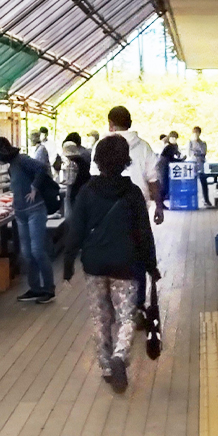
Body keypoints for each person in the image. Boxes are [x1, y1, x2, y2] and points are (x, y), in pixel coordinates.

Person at [64, 135, 160, 393]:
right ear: (126, 162)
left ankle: (107, 368)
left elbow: (75, 229)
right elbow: (143, 232)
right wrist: (151, 265)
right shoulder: (132, 193)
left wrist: (67, 261)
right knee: (127, 316)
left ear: (97, 160)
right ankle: (120, 355)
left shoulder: (86, 192)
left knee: (100, 317)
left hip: (94, 263)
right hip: (125, 263)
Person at [95, 106, 164, 321]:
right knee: (138, 256)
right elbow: (153, 180)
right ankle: (137, 306)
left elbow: (94, 180)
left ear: (110, 124)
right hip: (137, 210)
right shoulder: (143, 147)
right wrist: (159, 206)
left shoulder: (101, 146)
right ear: (130, 123)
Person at [0, 137, 56, 304]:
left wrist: (34, 188)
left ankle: (48, 289)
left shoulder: (22, 160)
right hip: (21, 213)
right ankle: (35, 288)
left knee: (37, 251)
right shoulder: (12, 166)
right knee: (27, 253)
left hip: (35, 210)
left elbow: (41, 168)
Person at [62, 138, 91, 216]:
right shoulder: (83, 161)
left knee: (71, 213)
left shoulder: (72, 163)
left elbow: (70, 180)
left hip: (74, 191)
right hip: (84, 189)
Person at [188, 126, 211, 207]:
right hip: (192, 165)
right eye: (194, 133)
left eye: (197, 132)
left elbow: (203, 152)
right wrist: (197, 153)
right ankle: (191, 201)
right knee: (191, 184)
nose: (196, 134)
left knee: (203, 182)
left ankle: (206, 200)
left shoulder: (203, 143)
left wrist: (197, 151)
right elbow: (190, 153)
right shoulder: (190, 142)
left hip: (201, 165)